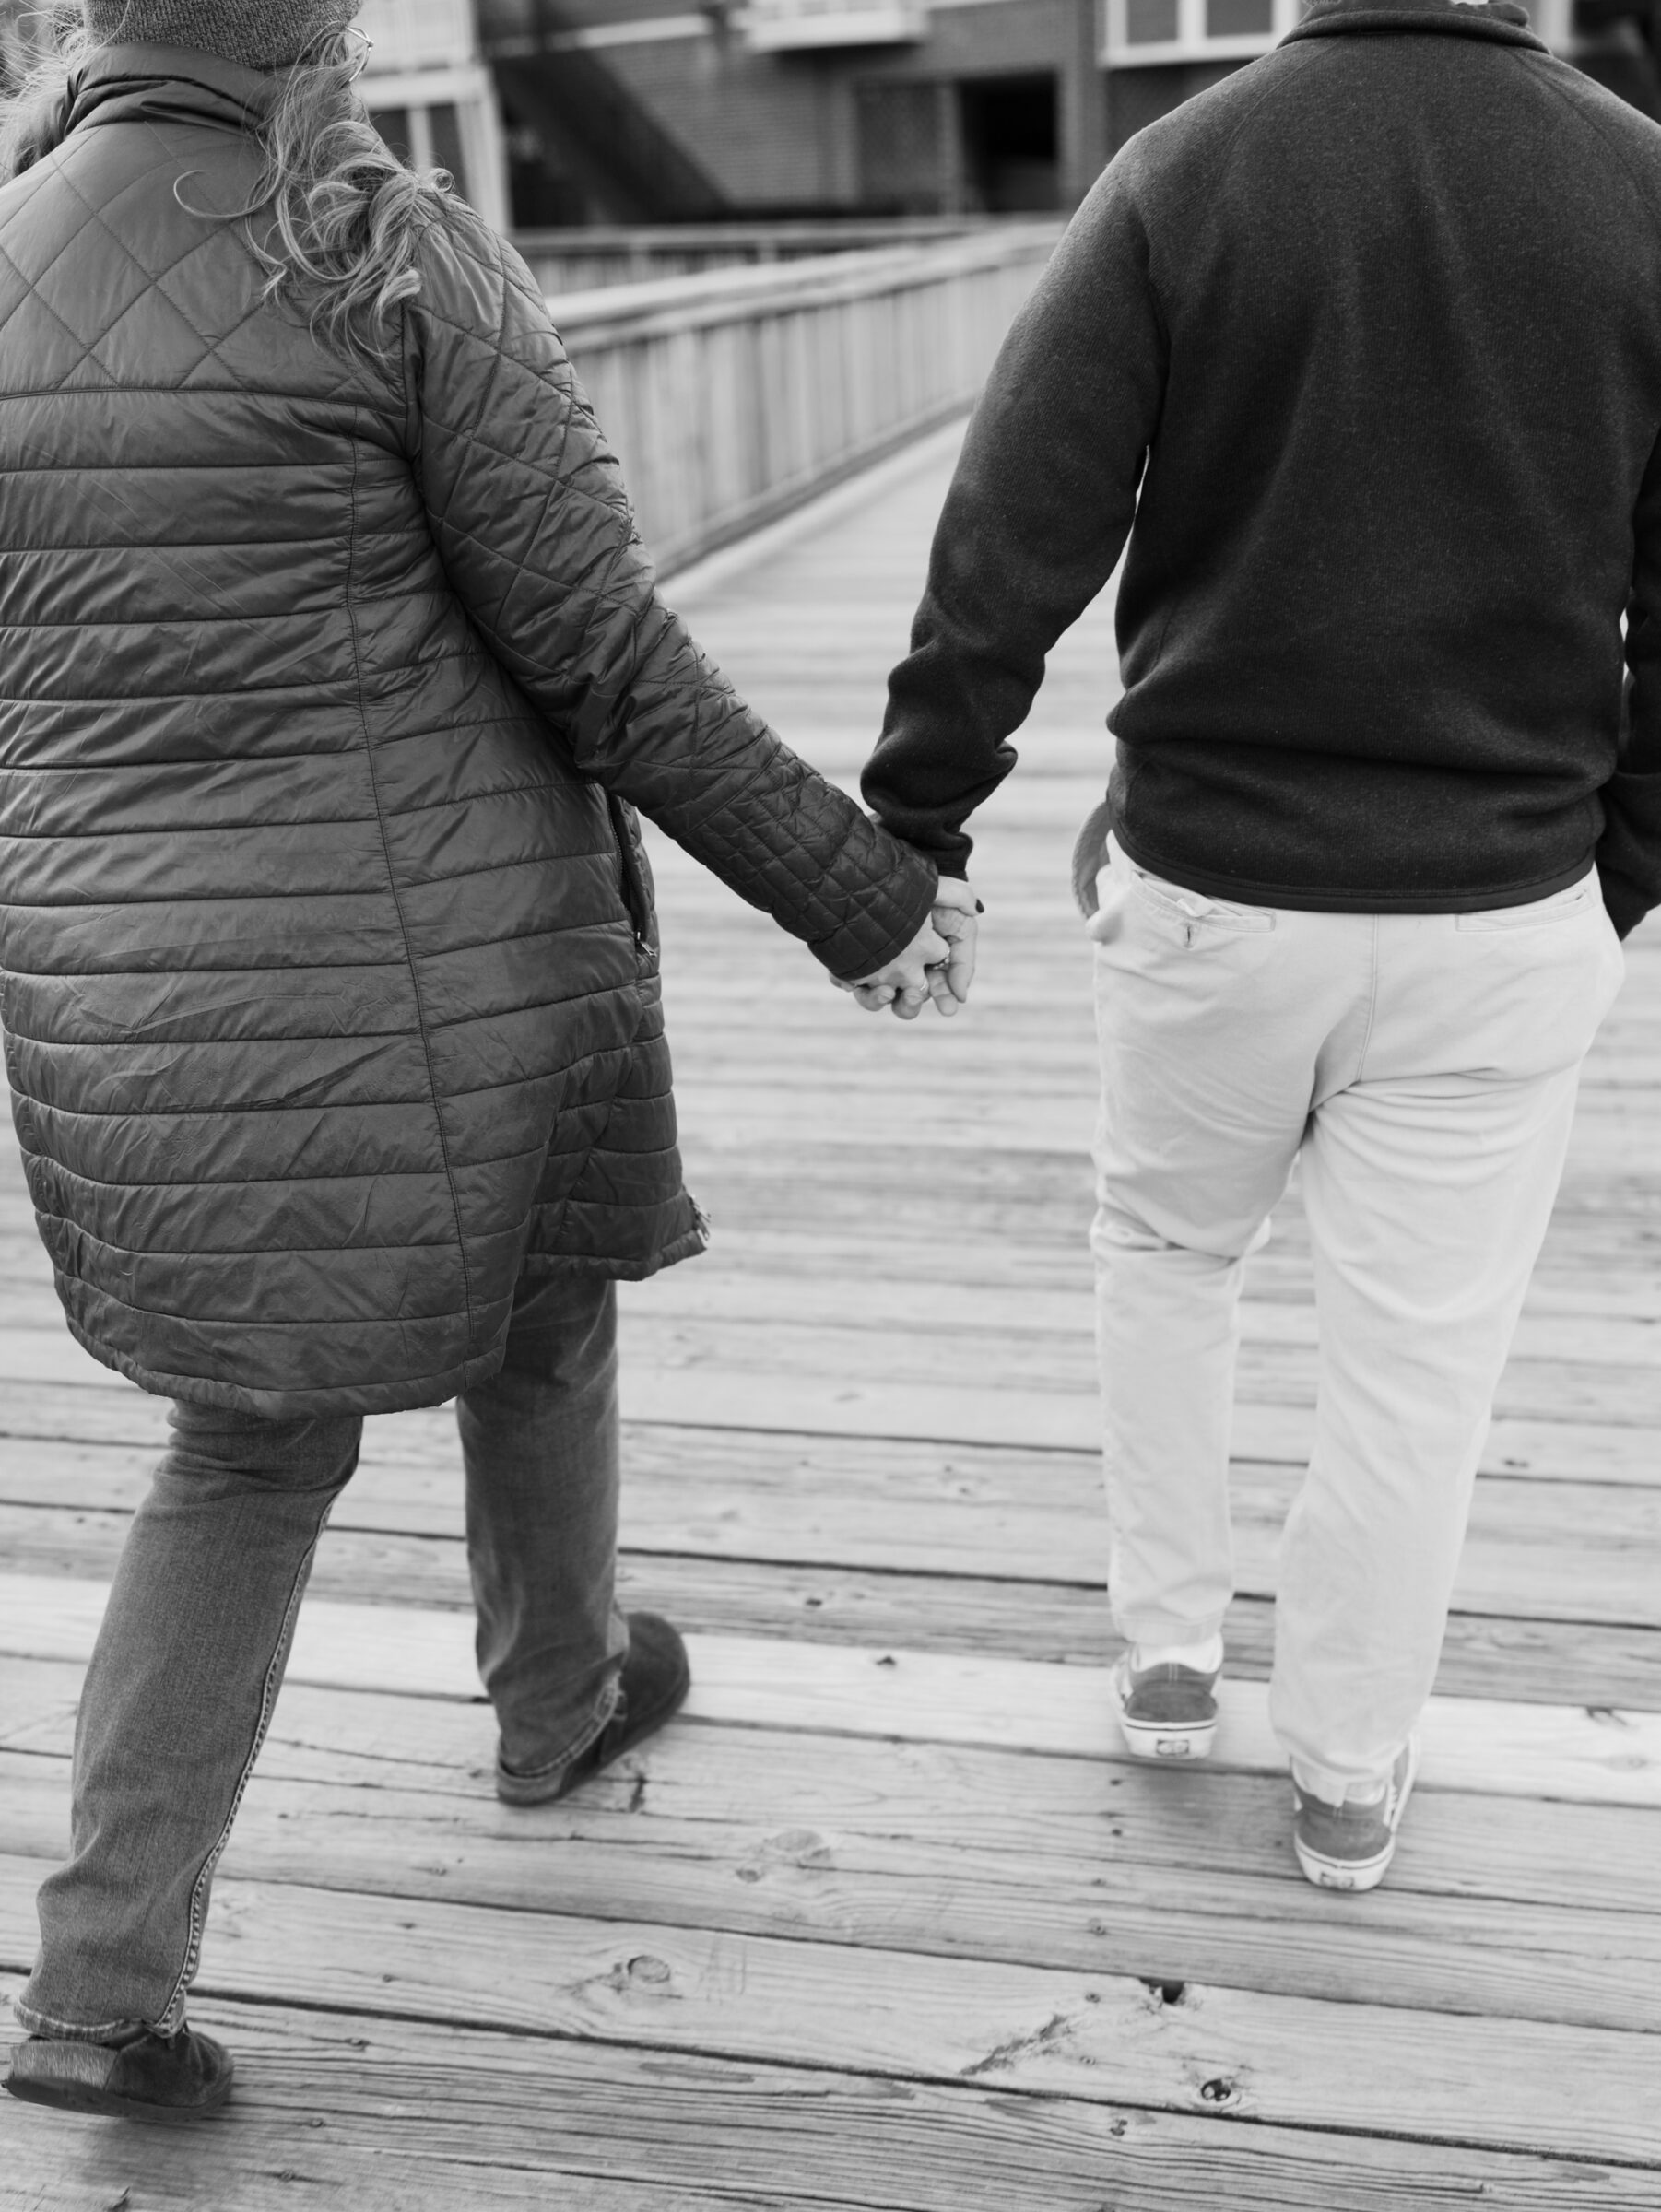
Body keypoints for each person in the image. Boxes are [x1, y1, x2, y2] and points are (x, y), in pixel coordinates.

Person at [0, 1, 975, 2124]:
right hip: (441, 963)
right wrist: (863, 893)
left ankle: (521, 1711)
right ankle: (453, 1764)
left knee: (321, 1401)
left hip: (119, 1003)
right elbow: (602, 652)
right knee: (455, 1336)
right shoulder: (372, 242)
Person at [863, 0, 1661, 1895]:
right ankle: (1347, 1780)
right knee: (1417, 1369)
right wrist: (1611, 868)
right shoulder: (1641, 190)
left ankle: (1162, 1658)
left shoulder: (1184, 170)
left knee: (1164, 1254)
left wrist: (915, 821)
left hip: (1213, 884)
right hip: (1497, 905)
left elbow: (1010, 527)